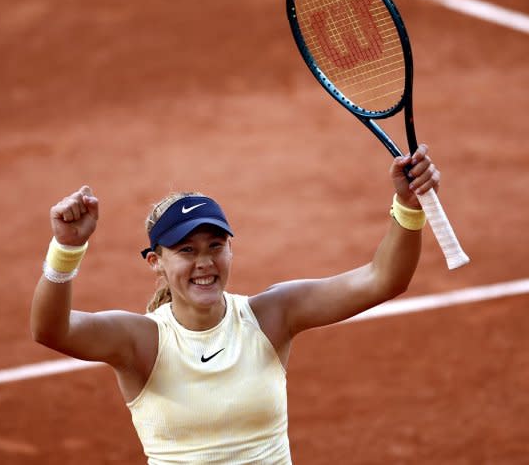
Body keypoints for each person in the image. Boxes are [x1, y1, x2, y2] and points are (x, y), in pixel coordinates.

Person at [31, 144, 441, 464]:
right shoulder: (141, 341)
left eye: (216, 246)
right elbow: (52, 330)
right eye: (186, 250)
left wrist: (407, 206)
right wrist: (67, 249)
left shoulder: (271, 315)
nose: (204, 262)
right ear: (156, 262)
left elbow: (382, 279)